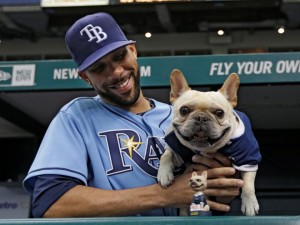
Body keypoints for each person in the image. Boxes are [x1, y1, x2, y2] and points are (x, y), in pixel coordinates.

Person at [23, 12, 243, 218]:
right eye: (99, 68)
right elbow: (50, 203)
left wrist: (223, 187)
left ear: (133, 51)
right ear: (85, 77)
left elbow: (214, 197)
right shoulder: (75, 117)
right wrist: (164, 195)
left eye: (119, 56)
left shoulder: (178, 116)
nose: (116, 72)